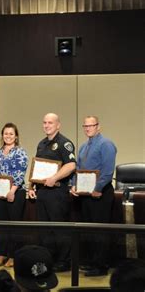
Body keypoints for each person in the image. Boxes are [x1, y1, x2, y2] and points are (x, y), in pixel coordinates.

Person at [28, 113, 76, 272]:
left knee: (58, 228)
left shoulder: (65, 143)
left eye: (50, 123)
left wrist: (54, 177)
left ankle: (63, 261)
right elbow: (37, 168)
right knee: (44, 229)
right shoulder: (41, 144)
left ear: (58, 125)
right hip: (42, 193)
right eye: (44, 122)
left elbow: (71, 165)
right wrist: (31, 186)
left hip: (57, 193)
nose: (47, 125)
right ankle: (49, 259)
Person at [70, 116, 117, 277]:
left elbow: (108, 170)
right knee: (89, 230)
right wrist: (74, 185)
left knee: (100, 231)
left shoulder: (106, 144)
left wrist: (98, 188)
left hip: (101, 193)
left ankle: (101, 265)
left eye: (91, 125)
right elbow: (78, 169)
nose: (88, 128)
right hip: (85, 195)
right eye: (85, 126)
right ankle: (92, 262)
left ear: (98, 127)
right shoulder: (83, 147)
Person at [0, 123, 28, 268]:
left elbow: (20, 173)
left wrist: (12, 190)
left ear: (16, 136)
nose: (8, 136)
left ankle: (13, 256)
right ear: (2, 135)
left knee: (13, 226)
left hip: (15, 194)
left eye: (11, 134)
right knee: (2, 225)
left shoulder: (20, 152)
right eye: (5, 133)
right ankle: (2, 254)